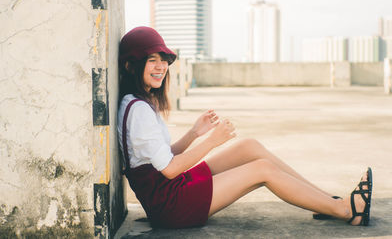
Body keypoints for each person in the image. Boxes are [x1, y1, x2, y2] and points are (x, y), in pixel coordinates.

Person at [117, 26, 373, 229]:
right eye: (152, 60)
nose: (161, 67)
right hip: (171, 207)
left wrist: (194, 133)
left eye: (163, 60)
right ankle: (347, 210)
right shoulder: (138, 110)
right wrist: (212, 141)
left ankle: (327, 202)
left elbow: (160, 158)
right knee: (262, 170)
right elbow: (170, 169)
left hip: (170, 191)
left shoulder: (138, 103)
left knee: (248, 147)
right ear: (131, 65)